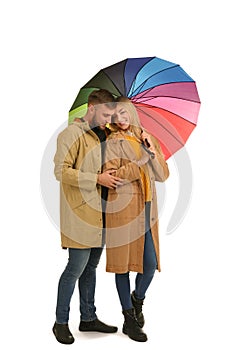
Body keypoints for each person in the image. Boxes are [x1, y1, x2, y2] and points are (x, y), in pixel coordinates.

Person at [53, 89, 123, 344]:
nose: (108, 119)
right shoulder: (71, 134)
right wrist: (97, 178)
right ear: (91, 109)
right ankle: (60, 322)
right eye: (105, 113)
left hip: (103, 212)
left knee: (91, 268)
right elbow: (61, 172)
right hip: (81, 214)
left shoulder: (103, 135)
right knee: (75, 269)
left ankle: (88, 317)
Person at [103, 97, 170, 342]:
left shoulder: (146, 137)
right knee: (123, 265)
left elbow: (162, 176)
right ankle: (129, 318)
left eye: (124, 113)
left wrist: (151, 152)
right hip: (122, 209)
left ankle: (137, 299)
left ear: (132, 112)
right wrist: (139, 162)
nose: (120, 119)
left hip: (147, 207)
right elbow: (114, 177)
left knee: (149, 264)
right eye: (115, 115)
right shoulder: (111, 142)